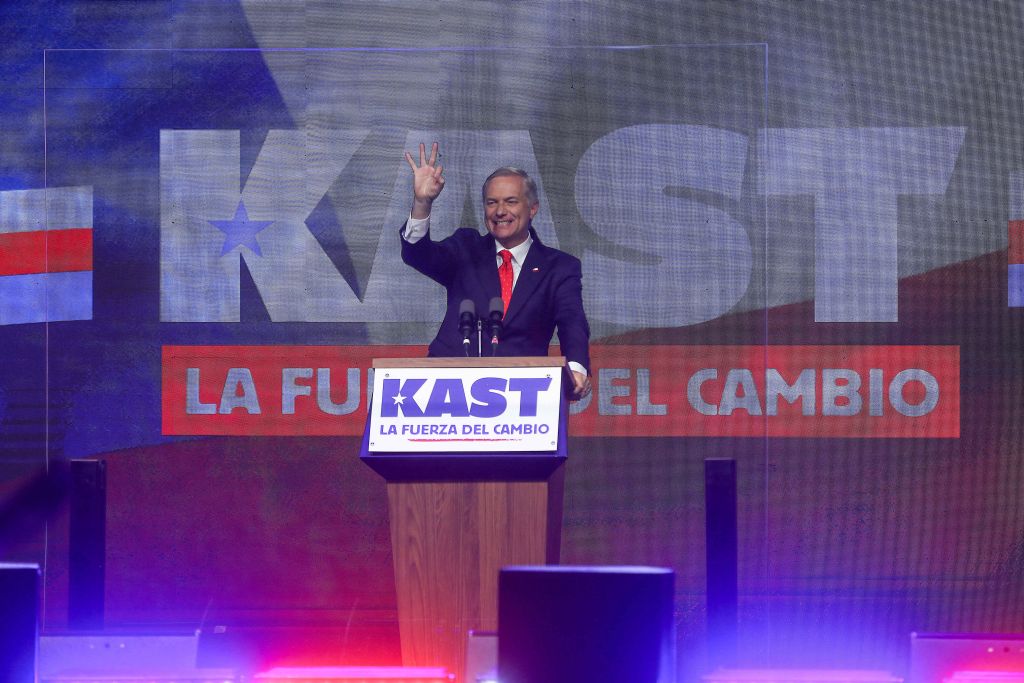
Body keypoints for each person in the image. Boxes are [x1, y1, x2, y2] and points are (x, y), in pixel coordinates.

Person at [401, 142, 591, 399]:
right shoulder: (465, 248)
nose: (500, 211)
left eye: (511, 201)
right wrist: (422, 202)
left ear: (532, 208)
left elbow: (572, 321)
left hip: (521, 394)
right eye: (492, 203)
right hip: (447, 390)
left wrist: (576, 368)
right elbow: (417, 254)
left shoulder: (559, 267)